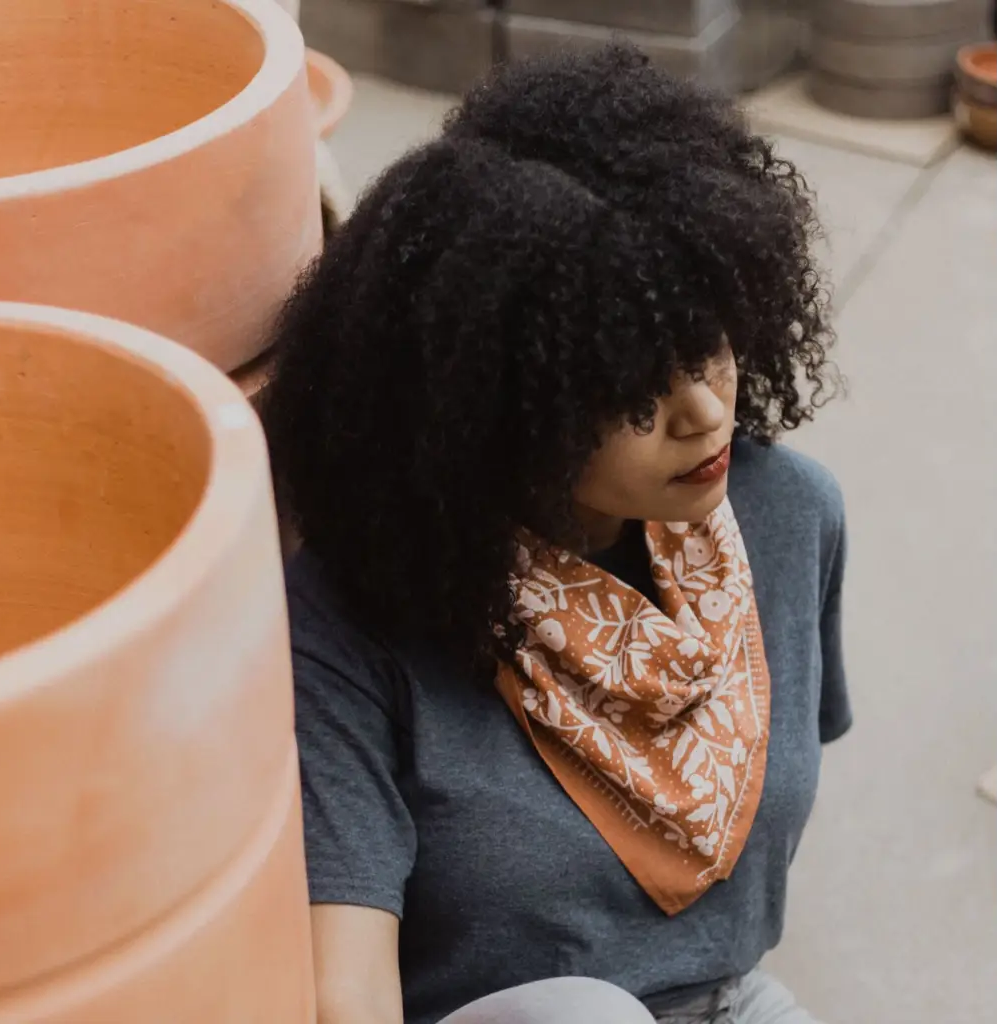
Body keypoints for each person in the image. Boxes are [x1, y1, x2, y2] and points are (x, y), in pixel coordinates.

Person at [263, 44, 850, 1024]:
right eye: (629, 390)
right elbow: (346, 992)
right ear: (500, 404)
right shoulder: (354, 620)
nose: (703, 411)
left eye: (706, 341)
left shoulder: (788, 514)